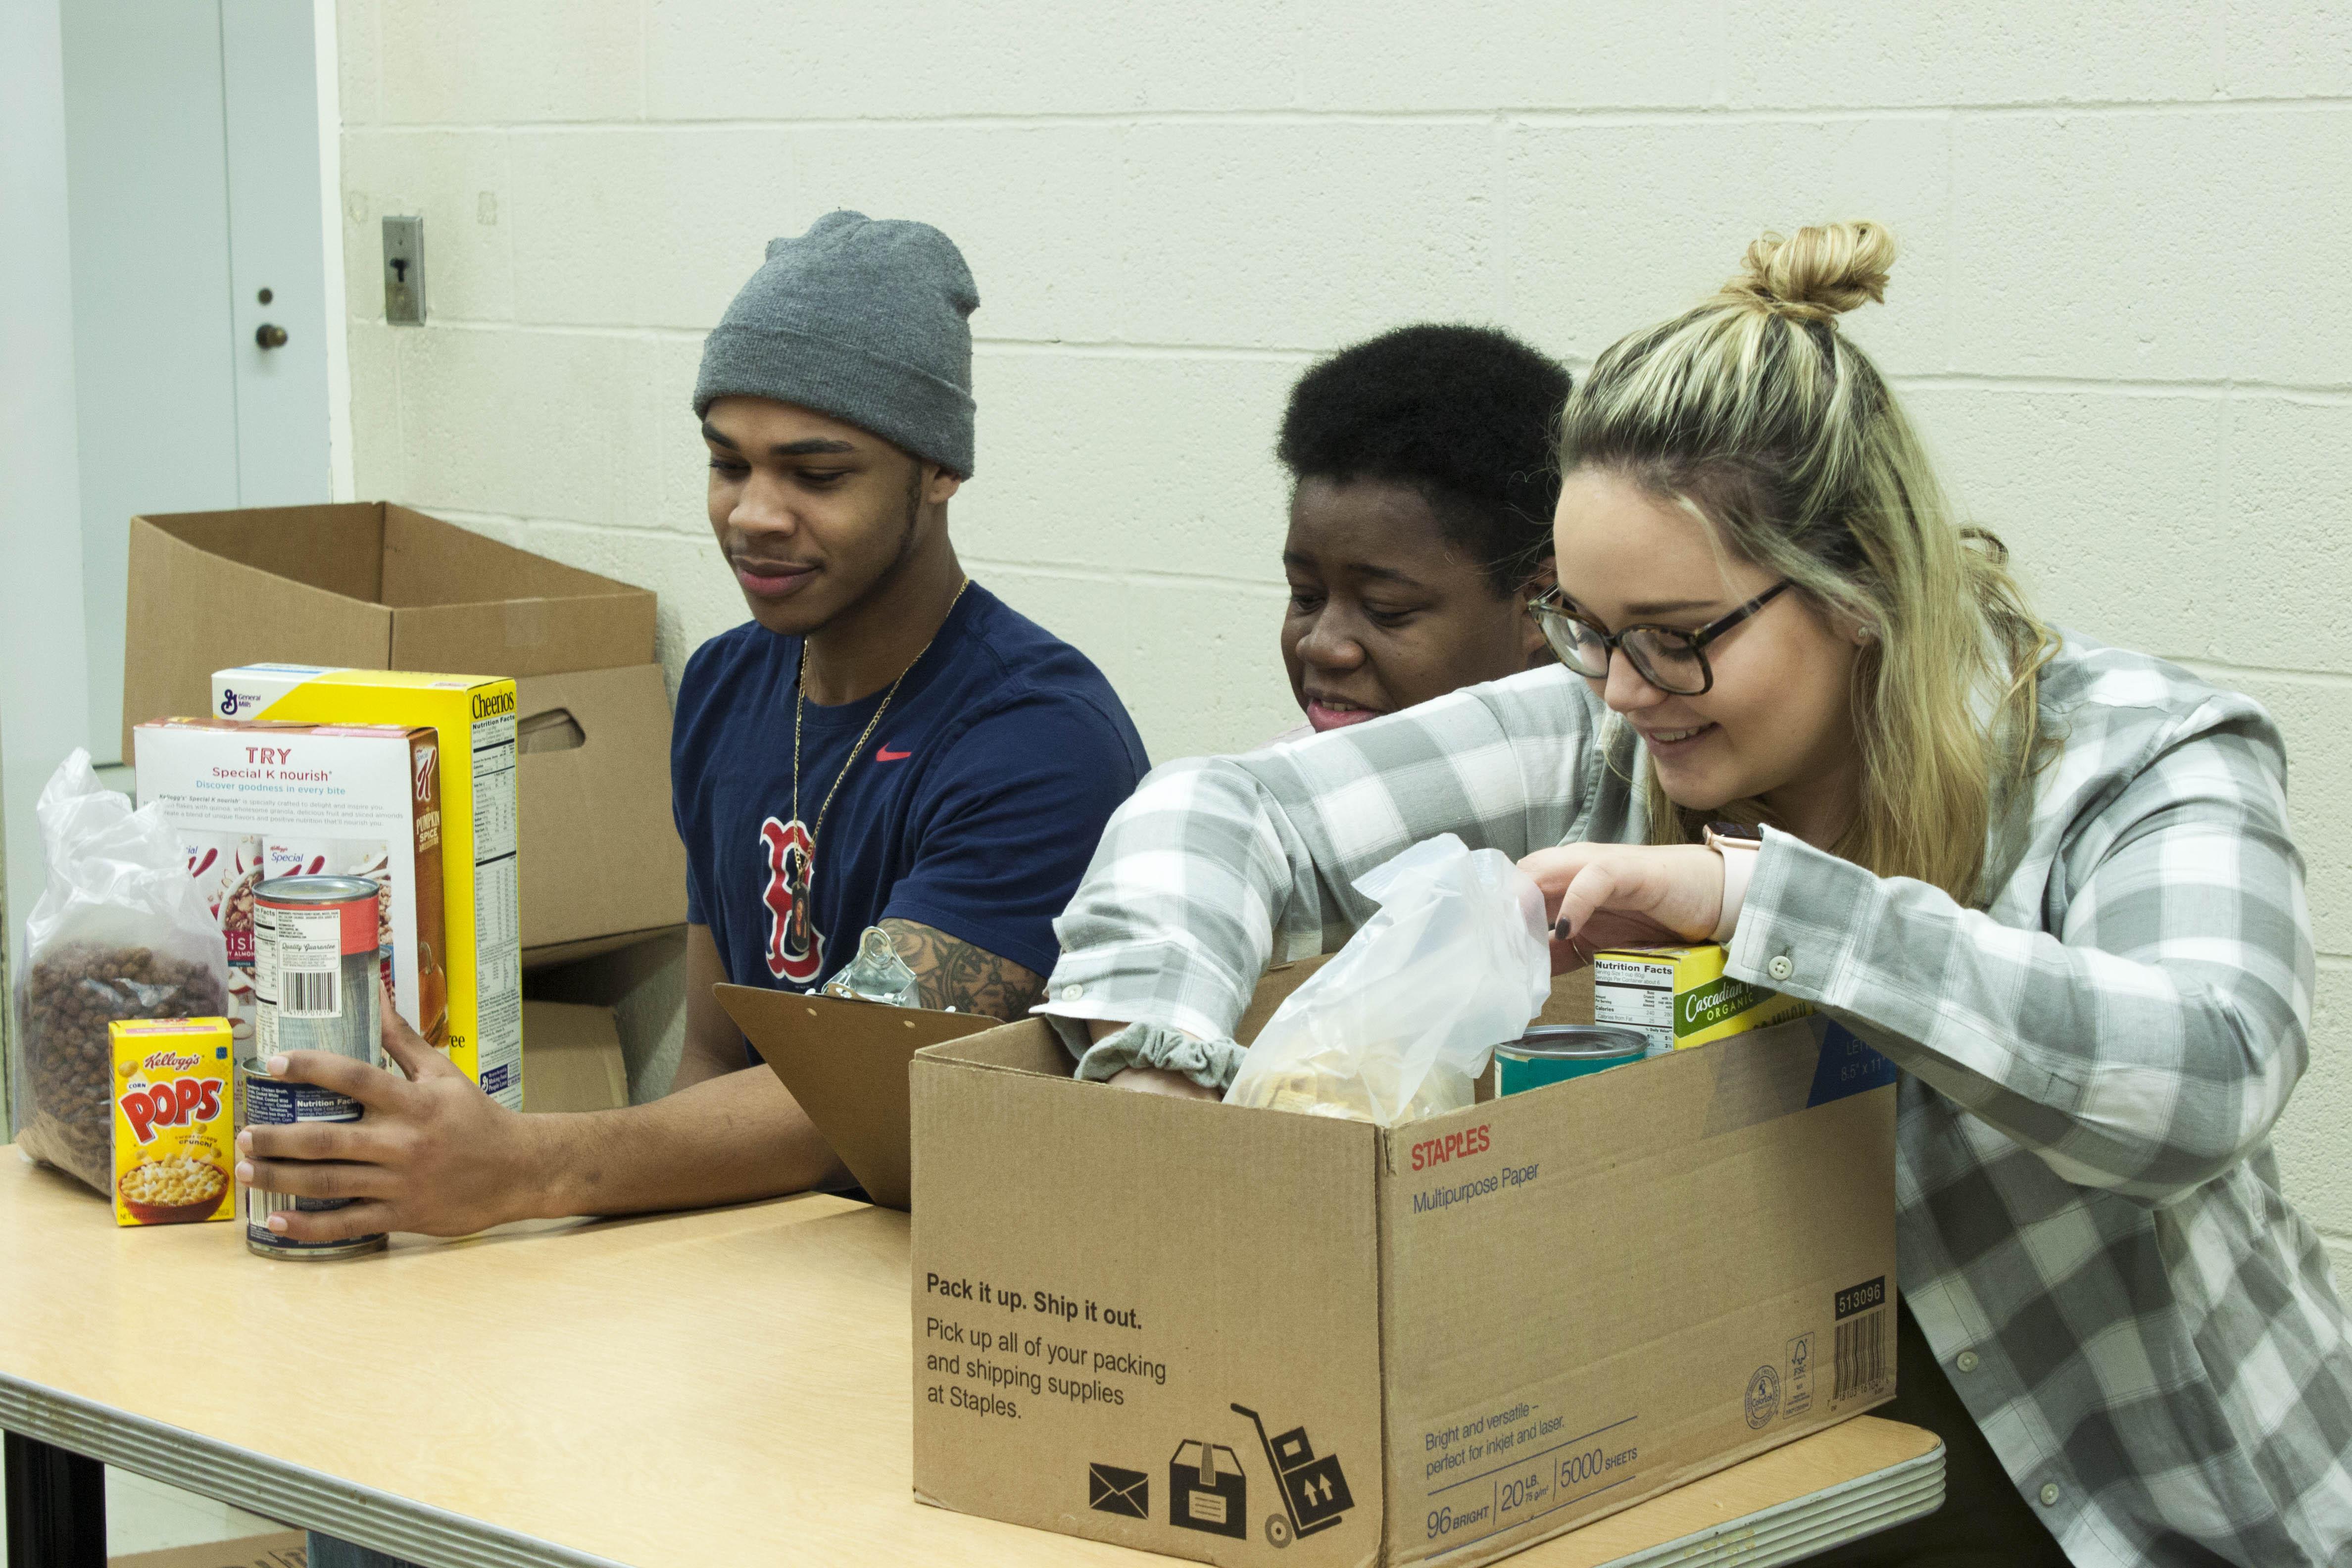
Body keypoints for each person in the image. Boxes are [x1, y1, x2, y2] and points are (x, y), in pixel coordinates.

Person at [1038, 223, 2352, 1567]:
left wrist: (1762, 901)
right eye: (1586, 629)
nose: (1620, 691)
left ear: (1865, 586)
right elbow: (1221, 812)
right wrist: (1161, 1076)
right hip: (1757, 1479)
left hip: (2137, 1515)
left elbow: (2209, 1076)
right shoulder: (1604, 725)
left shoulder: (2124, 754)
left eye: (1676, 639)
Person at [238, 210, 1148, 1237]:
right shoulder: (727, 684)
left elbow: (843, 1101)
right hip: (761, 1248)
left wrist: (531, 1170)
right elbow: (716, 1051)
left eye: (817, 475)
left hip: (964, 1279)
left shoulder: (1038, 740)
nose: (755, 514)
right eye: (729, 464)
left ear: (939, 474)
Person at [1272, 325, 1569, 737]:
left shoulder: (1632, 790)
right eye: (1305, 597)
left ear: (1541, 602)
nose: (1319, 646)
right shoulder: (1271, 787)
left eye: (1385, 610)